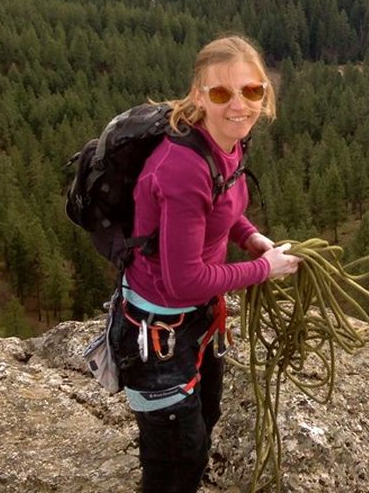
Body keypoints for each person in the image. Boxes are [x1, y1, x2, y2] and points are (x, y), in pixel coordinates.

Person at [111, 34, 300, 493]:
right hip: (158, 332)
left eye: (252, 90)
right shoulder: (183, 166)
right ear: (199, 96)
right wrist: (264, 269)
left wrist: (249, 236)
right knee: (176, 461)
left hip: (197, 320)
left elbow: (221, 206)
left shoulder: (224, 143)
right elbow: (183, 280)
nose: (240, 105)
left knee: (202, 424)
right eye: (221, 93)